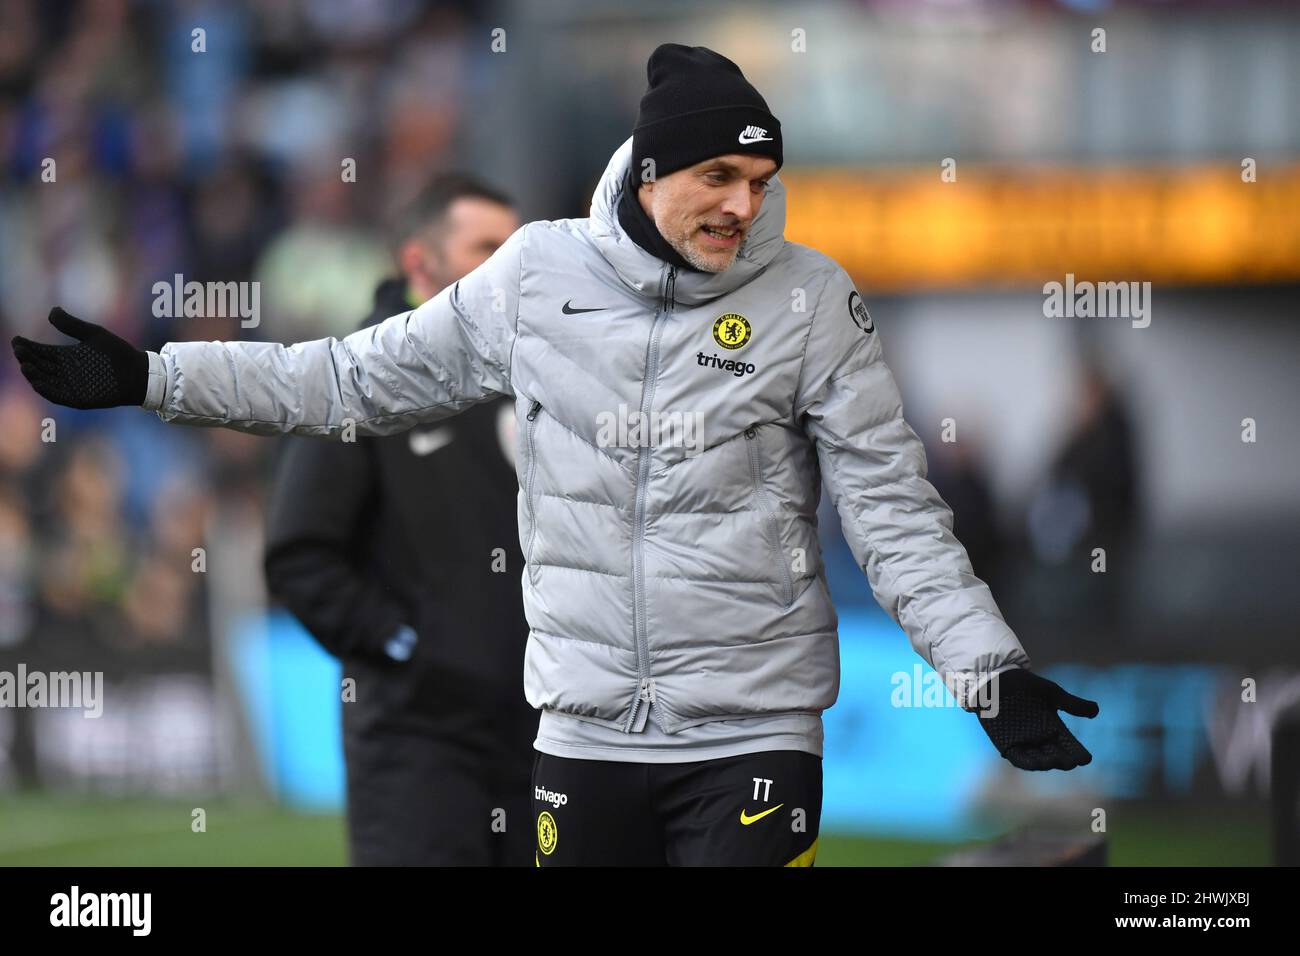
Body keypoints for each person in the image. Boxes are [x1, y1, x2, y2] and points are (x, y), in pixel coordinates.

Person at [11, 44, 1099, 867]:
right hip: (581, 735)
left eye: (760, 182)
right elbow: (347, 380)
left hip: (754, 729)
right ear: (657, 168)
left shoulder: (812, 301)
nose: (743, 203)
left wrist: (984, 668)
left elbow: (891, 508)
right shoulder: (535, 278)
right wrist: (154, 378)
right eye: (719, 175)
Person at [262, 174, 536, 866]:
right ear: (420, 262)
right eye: (486, 248)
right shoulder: (356, 377)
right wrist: (408, 646)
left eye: (515, 250)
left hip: (539, 737)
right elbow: (301, 553)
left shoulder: (533, 372)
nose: (509, 269)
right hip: (419, 744)